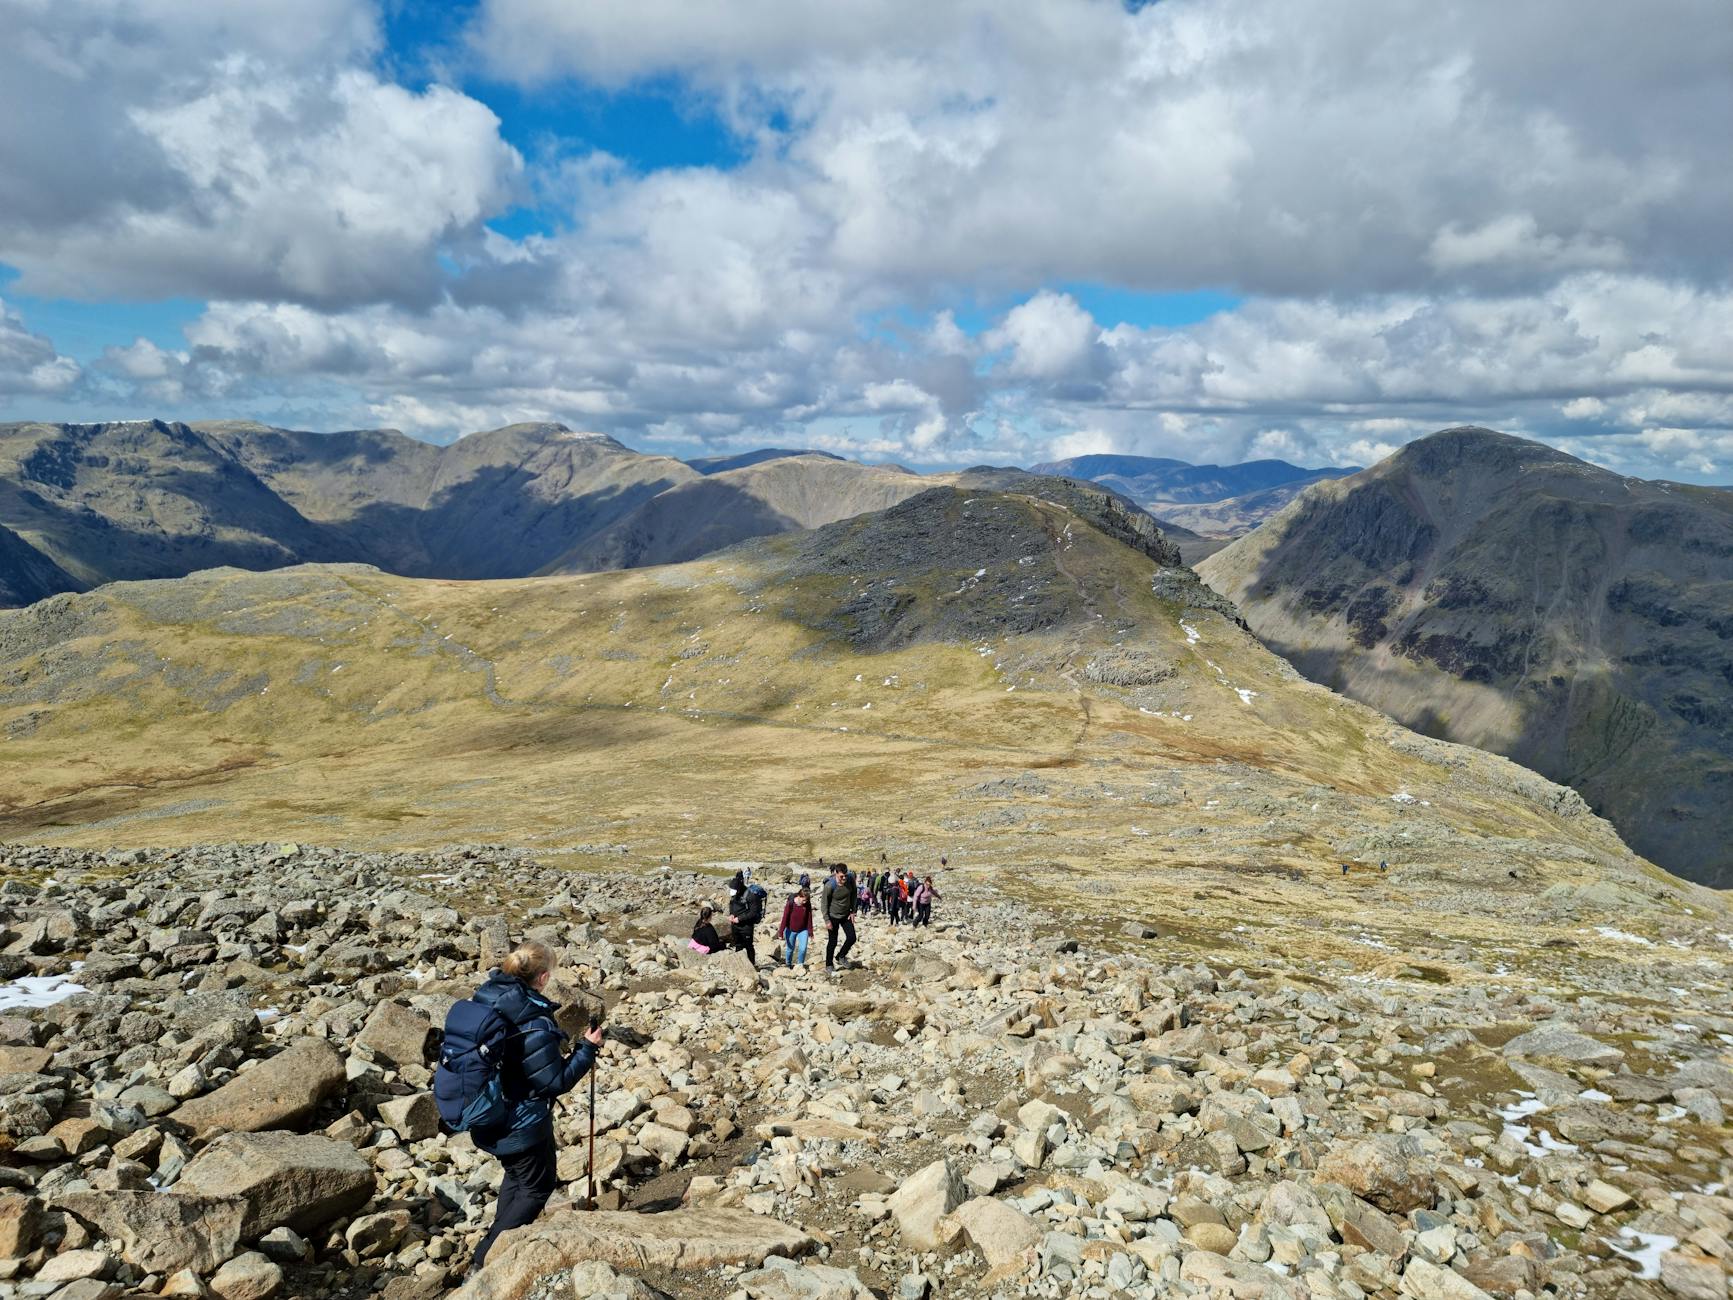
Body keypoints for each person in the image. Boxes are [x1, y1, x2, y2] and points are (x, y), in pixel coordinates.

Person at [468, 941, 603, 1271]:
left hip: (491, 1112)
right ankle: (486, 1259)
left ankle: (502, 1240)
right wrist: (587, 1048)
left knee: (517, 1177)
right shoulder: (534, 1022)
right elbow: (554, 1082)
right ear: (542, 977)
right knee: (537, 1187)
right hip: (523, 1120)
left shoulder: (488, 999)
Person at [822, 861, 857, 971]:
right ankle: (829, 964)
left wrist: (853, 911)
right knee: (833, 941)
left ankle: (840, 956)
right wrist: (827, 920)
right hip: (833, 916)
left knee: (852, 937)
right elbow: (824, 904)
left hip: (846, 915)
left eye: (845, 876)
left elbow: (854, 894)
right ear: (836, 873)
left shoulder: (850, 879)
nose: (844, 878)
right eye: (842, 876)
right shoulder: (829, 885)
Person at [728, 870, 766, 965]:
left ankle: (752, 965)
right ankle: (739, 965)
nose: (732, 892)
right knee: (738, 945)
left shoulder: (750, 896)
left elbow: (753, 912)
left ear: (739, 888)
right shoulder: (734, 894)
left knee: (748, 946)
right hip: (735, 925)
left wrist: (740, 919)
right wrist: (732, 914)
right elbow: (732, 905)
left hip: (746, 926)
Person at [777, 884, 814, 967]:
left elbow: (809, 918)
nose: (805, 902)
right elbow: (785, 918)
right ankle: (788, 964)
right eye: (804, 900)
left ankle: (800, 965)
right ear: (799, 896)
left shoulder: (807, 904)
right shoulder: (790, 904)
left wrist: (810, 932)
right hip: (790, 929)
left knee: (803, 948)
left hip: (803, 930)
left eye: (807, 900)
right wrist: (780, 932)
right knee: (790, 949)